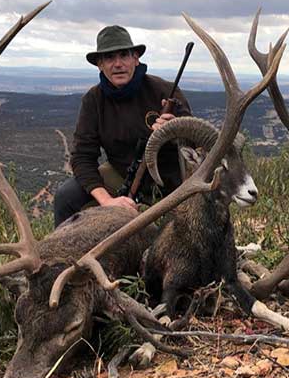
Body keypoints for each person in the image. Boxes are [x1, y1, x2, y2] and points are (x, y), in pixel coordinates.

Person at [53, 25, 192, 228]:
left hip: (170, 178)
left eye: (124, 56)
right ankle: (62, 257)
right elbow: (82, 157)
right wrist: (107, 201)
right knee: (66, 196)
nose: (118, 64)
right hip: (122, 172)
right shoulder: (93, 100)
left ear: (135, 58)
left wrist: (176, 131)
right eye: (109, 58)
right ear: (99, 64)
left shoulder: (165, 91)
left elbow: (196, 143)